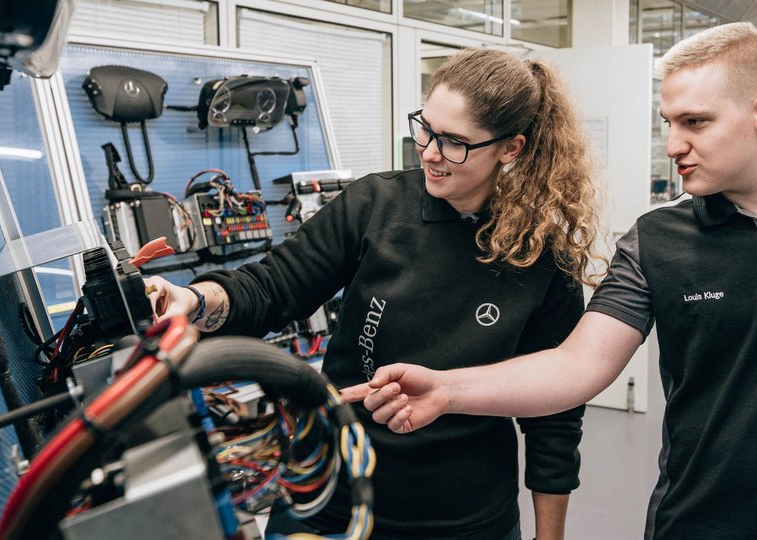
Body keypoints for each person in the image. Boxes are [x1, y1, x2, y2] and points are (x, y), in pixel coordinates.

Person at [345, 22, 757, 540]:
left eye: (695, 122)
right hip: (695, 523)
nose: (674, 143)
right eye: (668, 123)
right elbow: (577, 364)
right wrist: (448, 388)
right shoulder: (657, 238)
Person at [146, 48, 604, 539]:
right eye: (425, 128)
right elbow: (273, 286)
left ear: (510, 149)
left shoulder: (540, 256)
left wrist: (549, 536)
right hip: (330, 492)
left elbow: (555, 416)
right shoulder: (377, 205)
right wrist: (194, 299)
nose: (428, 152)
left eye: (454, 142)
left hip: (461, 515)